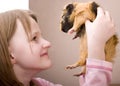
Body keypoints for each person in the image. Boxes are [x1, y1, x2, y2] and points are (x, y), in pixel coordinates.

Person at [0, 7, 115, 86]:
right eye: (34, 38)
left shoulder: (40, 84)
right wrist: (96, 44)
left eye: (41, 36)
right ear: (10, 55)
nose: (47, 43)